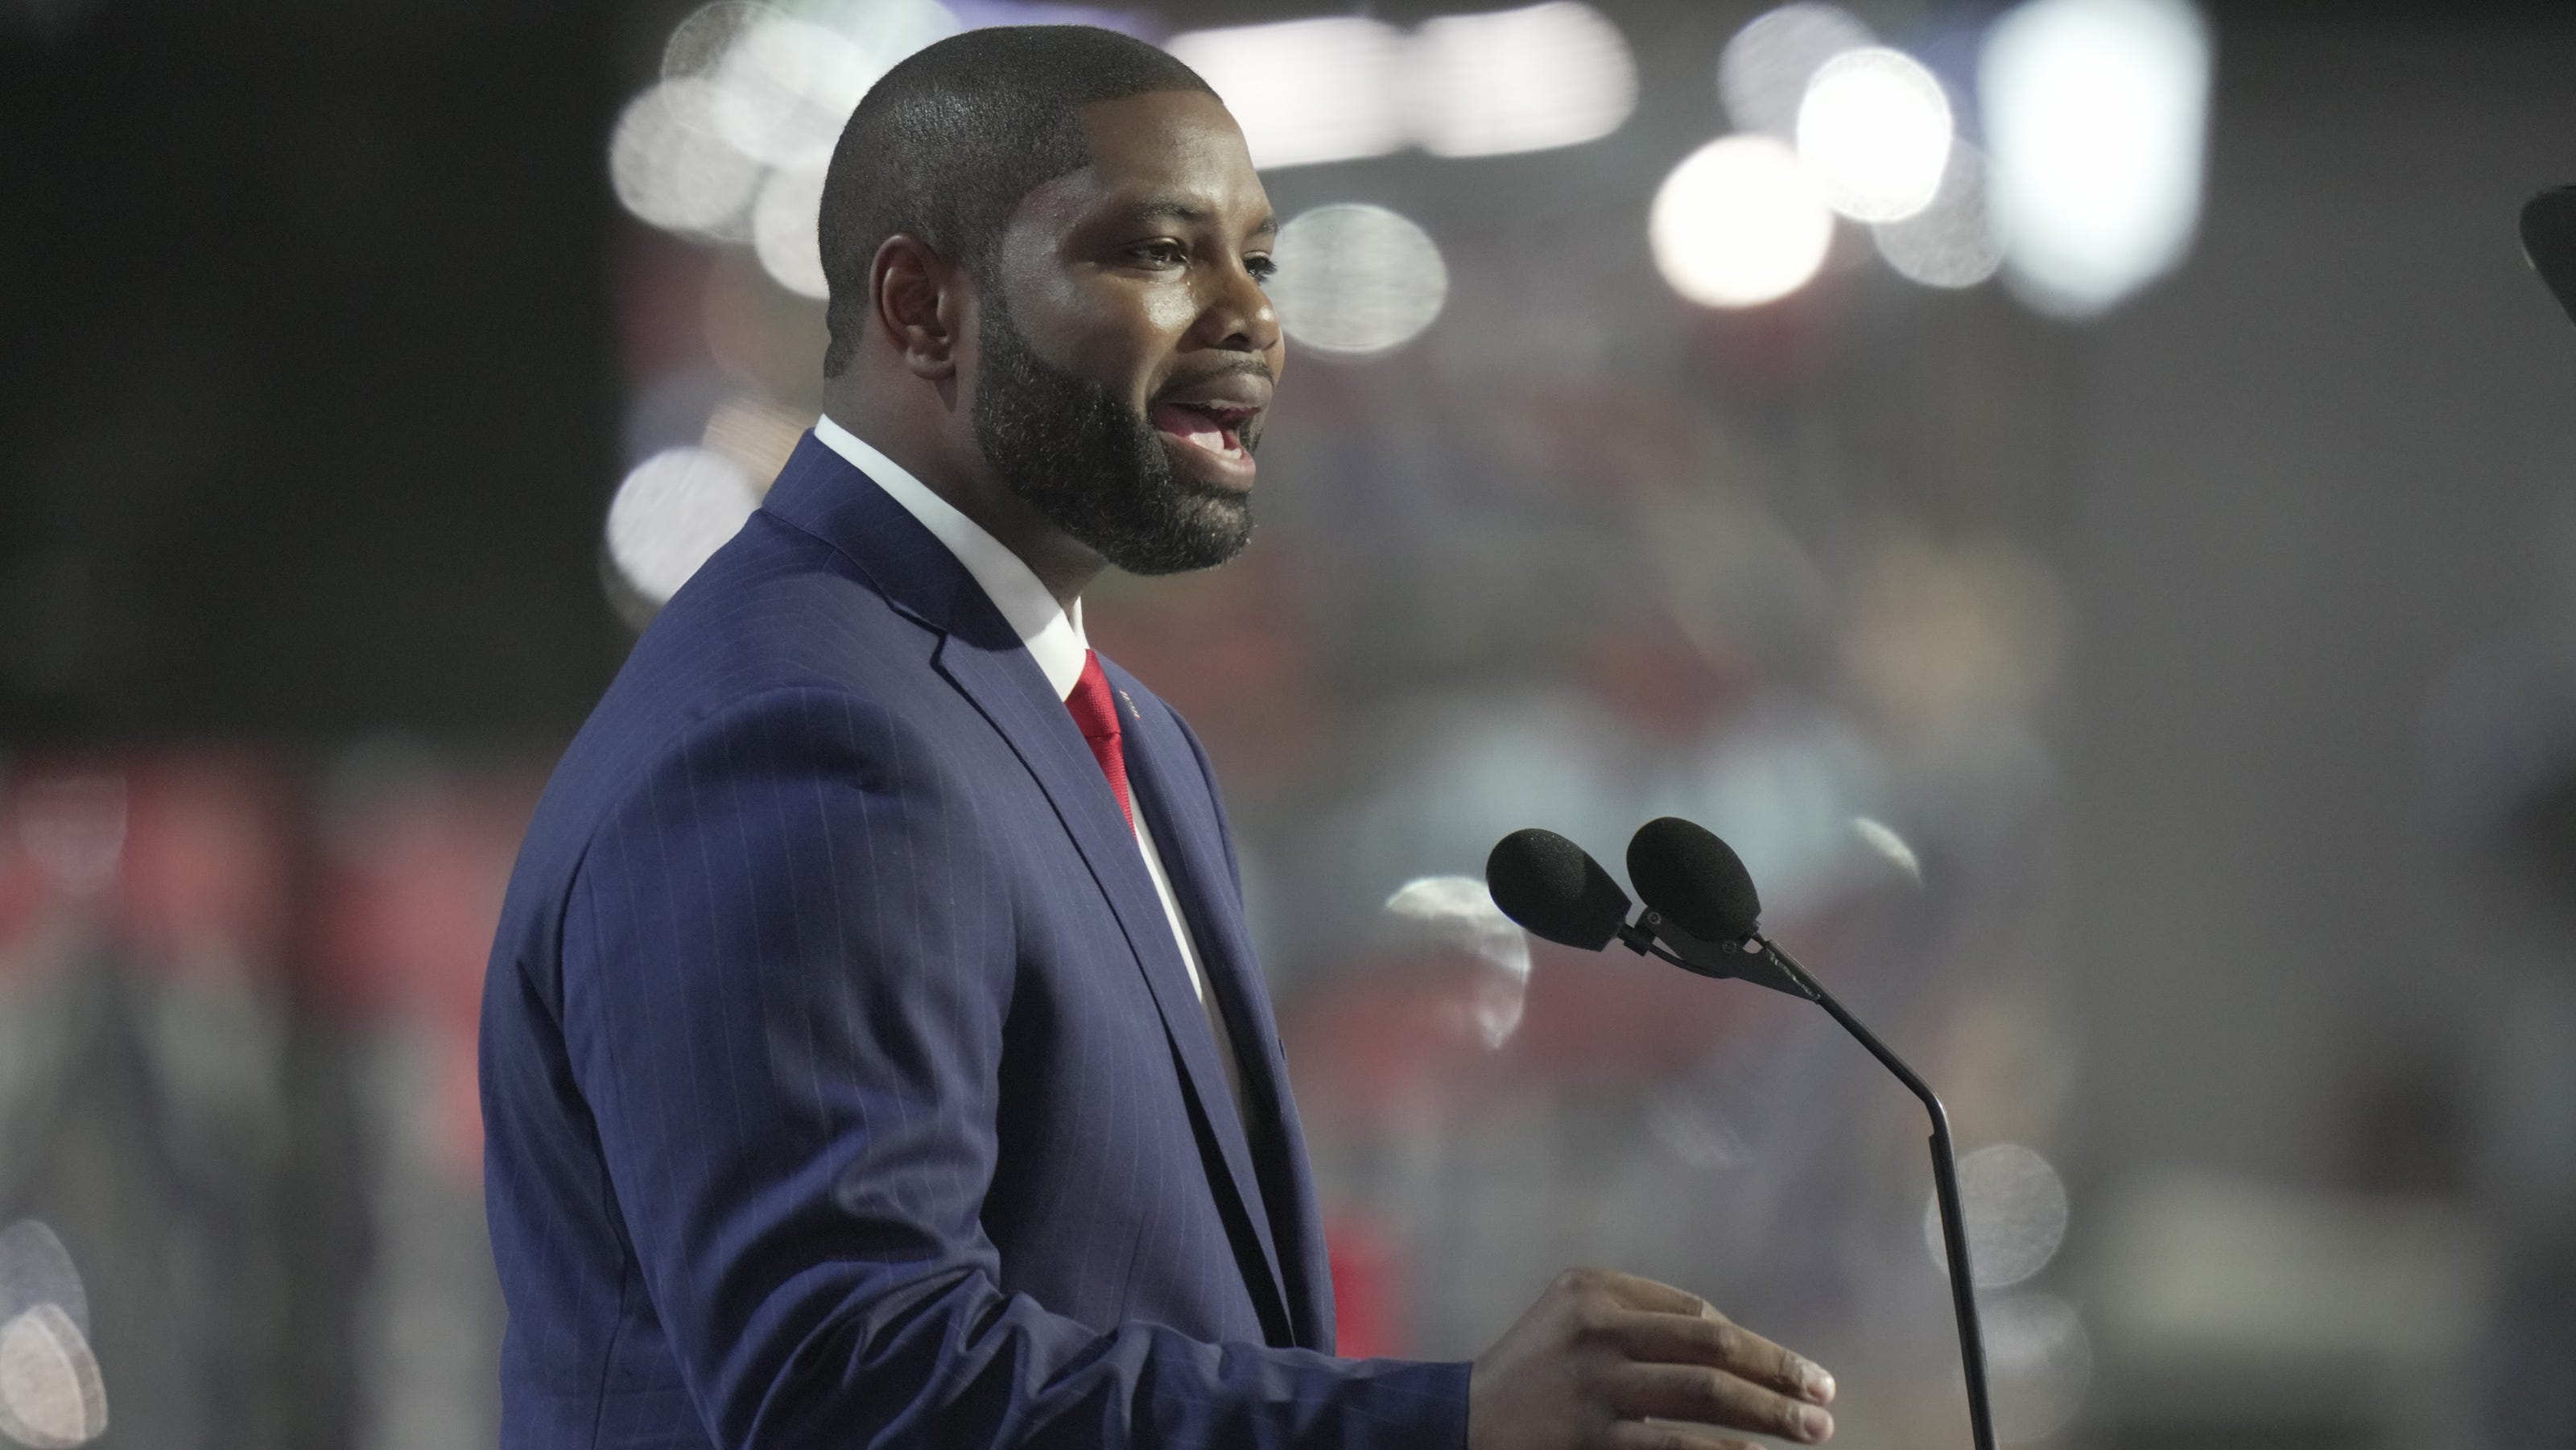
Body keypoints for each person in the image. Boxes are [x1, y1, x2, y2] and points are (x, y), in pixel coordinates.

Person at [480, 24, 1839, 1450]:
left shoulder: (1125, 736)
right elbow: (855, 1384)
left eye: (1263, 259)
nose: (1250, 315)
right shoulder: (804, 733)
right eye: (1155, 251)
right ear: (922, 307)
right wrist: (1448, 1426)